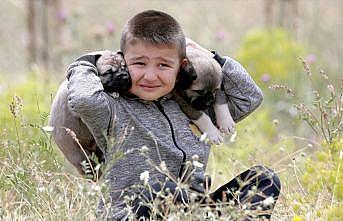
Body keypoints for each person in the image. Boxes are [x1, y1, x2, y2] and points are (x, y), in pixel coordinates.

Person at [64, 10, 280, 220]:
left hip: (193, 210)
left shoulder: (194, 104)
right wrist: (91, 61)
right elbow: (83, 100)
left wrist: (208, 55)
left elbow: (249, 97)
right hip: (134, 212)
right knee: (164, 189)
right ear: (123, 60)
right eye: (139, 63)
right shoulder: (113, 107)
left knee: (264, 179)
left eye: (163, 65)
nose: (150, 76)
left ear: (182, 67)